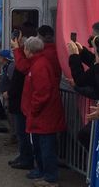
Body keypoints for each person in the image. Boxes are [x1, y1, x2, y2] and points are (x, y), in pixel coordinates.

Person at [20, 36, 66, 186]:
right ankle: (42, 171)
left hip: (43, 115)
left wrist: (33, 109)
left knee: (46, 147)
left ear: (29, 50)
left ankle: (50, 176)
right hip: (41, 114)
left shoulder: (39, 65)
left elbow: (42, 92)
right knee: (40, 146)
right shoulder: (38, 63)